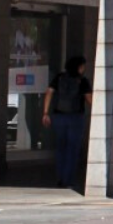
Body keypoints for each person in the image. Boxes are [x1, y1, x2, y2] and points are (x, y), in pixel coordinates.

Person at [43, 56, 90, 190]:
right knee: (73, 149)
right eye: (83, 66)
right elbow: (89, 99)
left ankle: (61, 178)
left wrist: (45, 112)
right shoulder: (82, 81)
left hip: (59, 117)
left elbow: (49, 93)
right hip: (75, 117)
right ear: (79, 66)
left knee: (61, 148)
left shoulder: (59, 78)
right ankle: (69, 180)